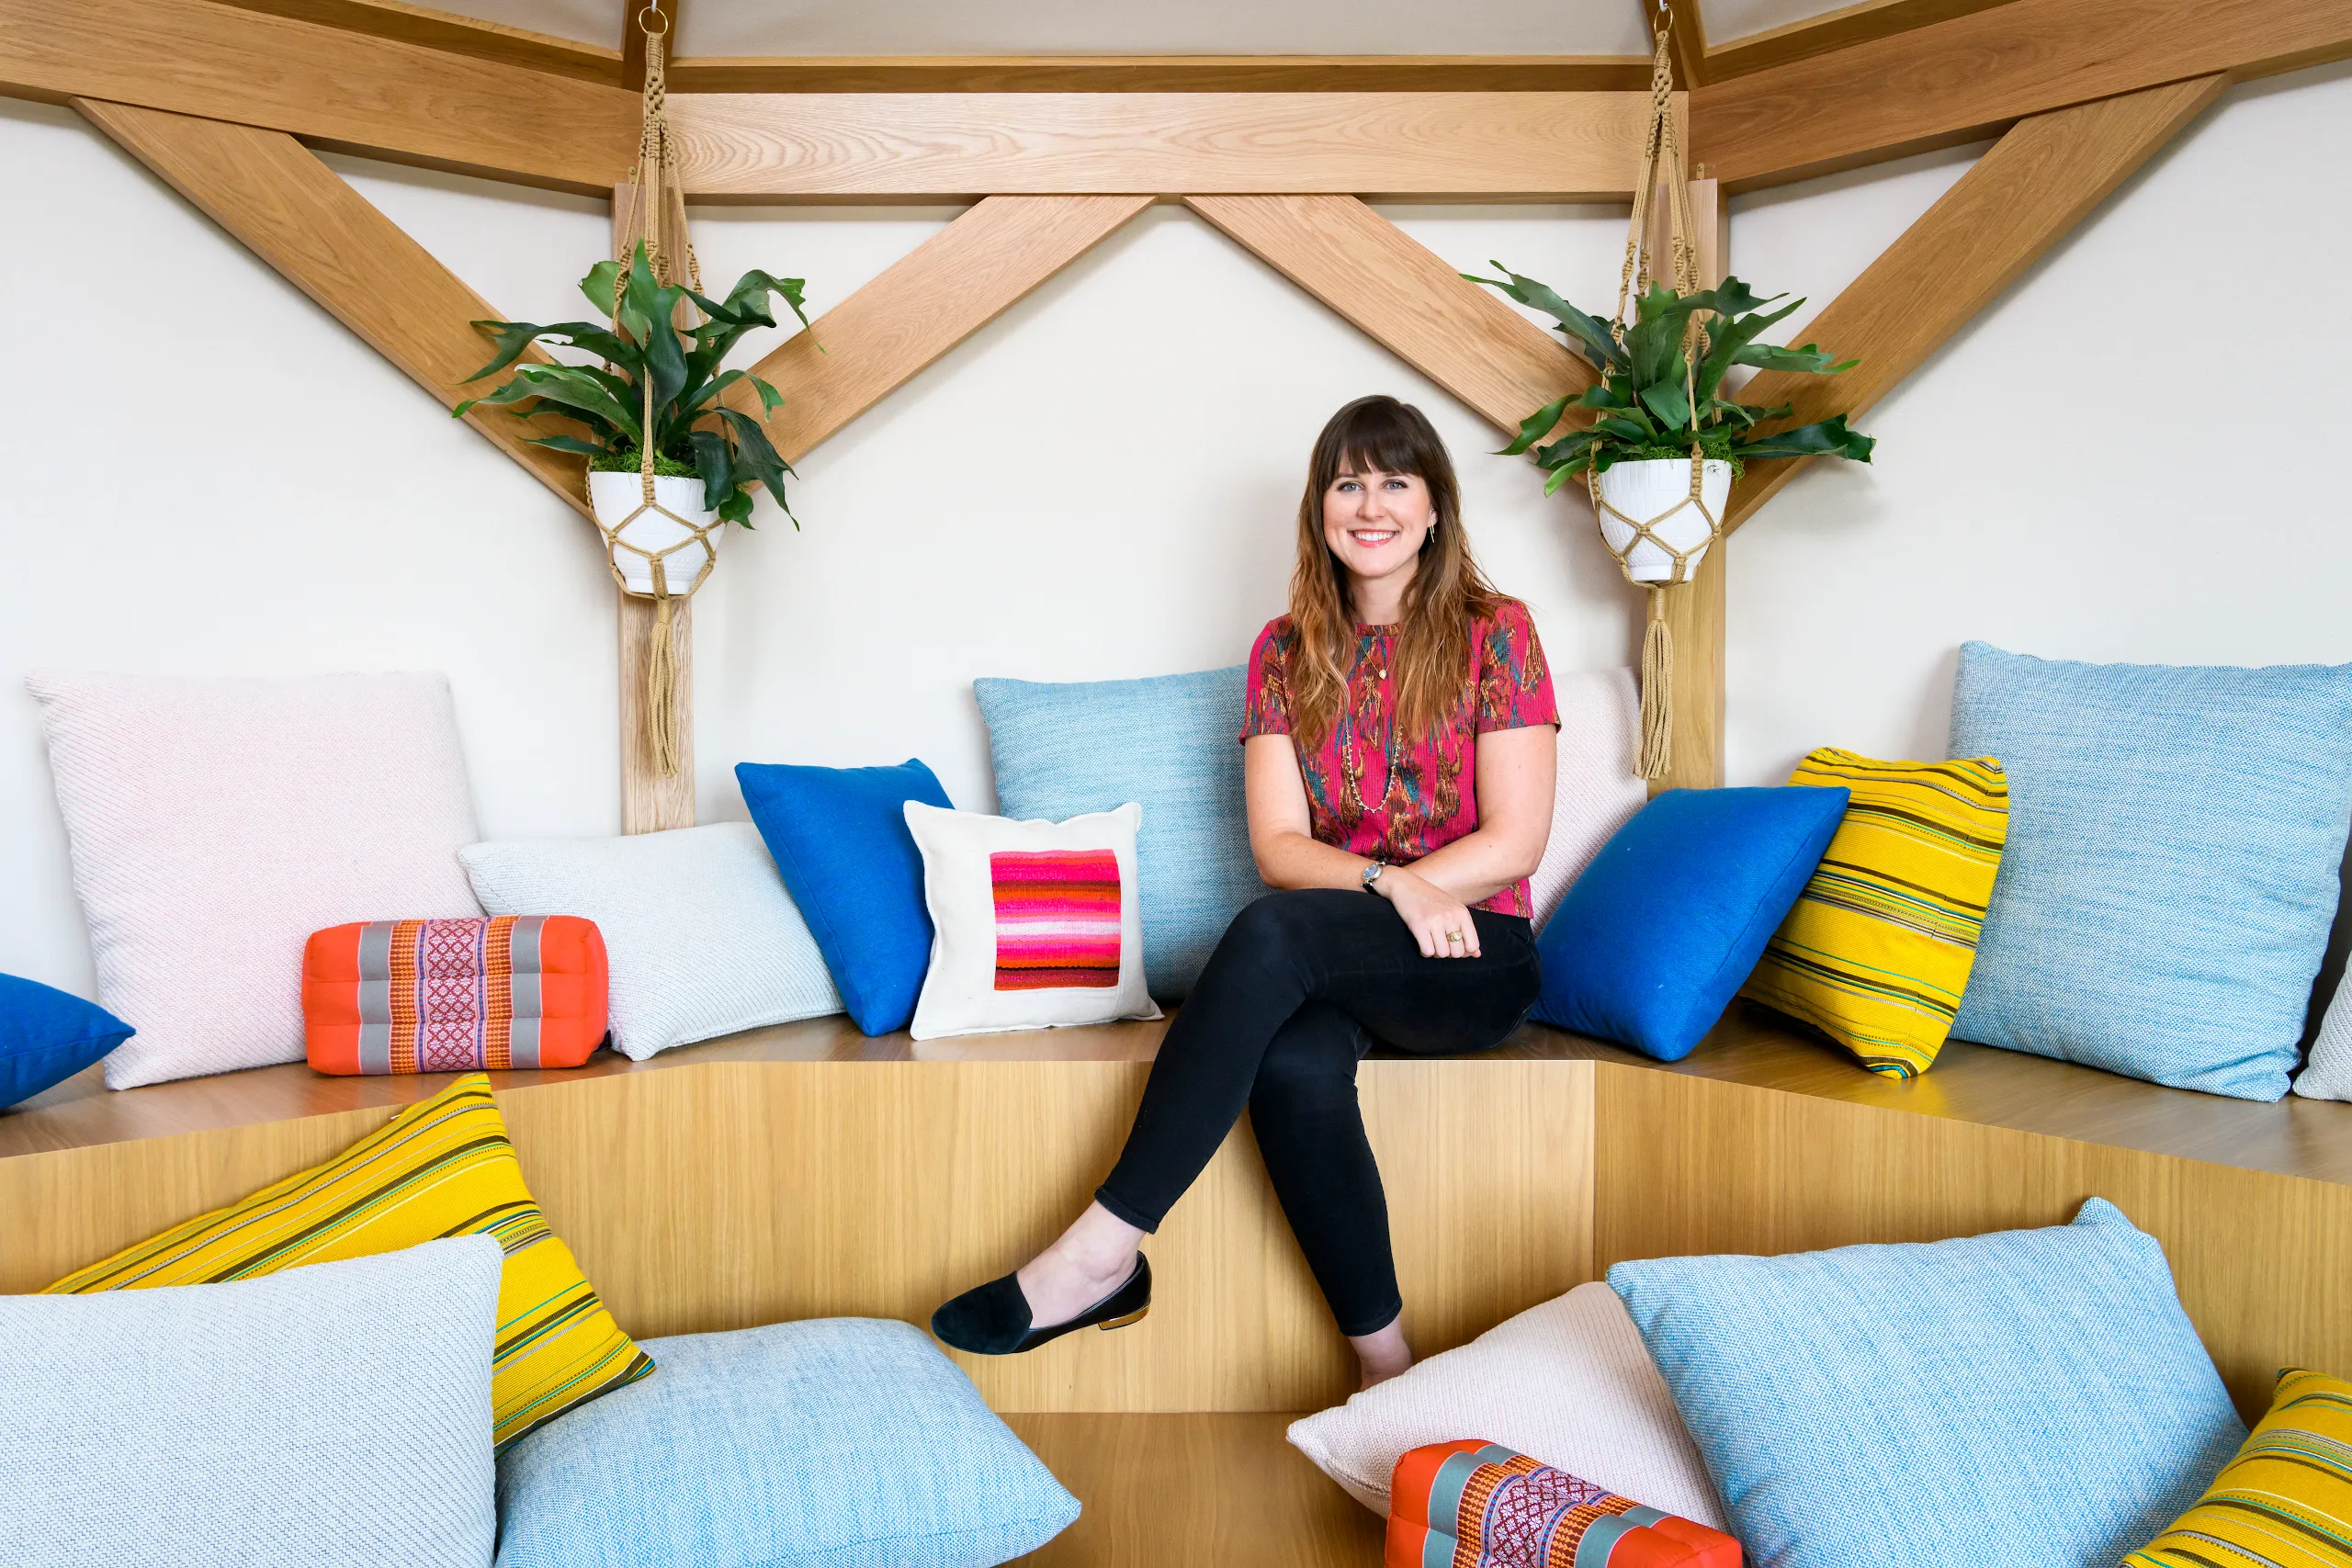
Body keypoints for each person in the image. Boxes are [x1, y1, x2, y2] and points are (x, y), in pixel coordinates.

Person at [932, 394, 1558, 1389]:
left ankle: (1100, 1250)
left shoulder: (1498, 632)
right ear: (1318, 509)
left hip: (1473, 955)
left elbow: (1516, 840)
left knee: (1271, 937)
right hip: (1350, 947)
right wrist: (1395, 886)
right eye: (1347, 483)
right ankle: (1387, 1374)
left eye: (1395, 481)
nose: (1370, 503)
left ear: (1435, 506)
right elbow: (1278, 846)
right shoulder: (1285, 649)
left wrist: (1424, 894)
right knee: (1294, 1062)